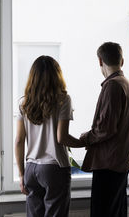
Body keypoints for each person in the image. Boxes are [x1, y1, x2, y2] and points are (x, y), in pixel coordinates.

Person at [15, 55, 84, 217]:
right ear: (56, 76)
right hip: (54, 168)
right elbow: (62, 138)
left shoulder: (23, 103)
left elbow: (18, 140)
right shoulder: (63, 100)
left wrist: (21, 174)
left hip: (31, 169)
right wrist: (84, 142)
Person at [79, 42, 129, 217]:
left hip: (109, 163)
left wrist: (85, 138)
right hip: (120, 161)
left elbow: (106, 128)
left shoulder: (113, 86)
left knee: (102, 213)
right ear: (122, 61)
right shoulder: (127, 84)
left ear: (100, 61)